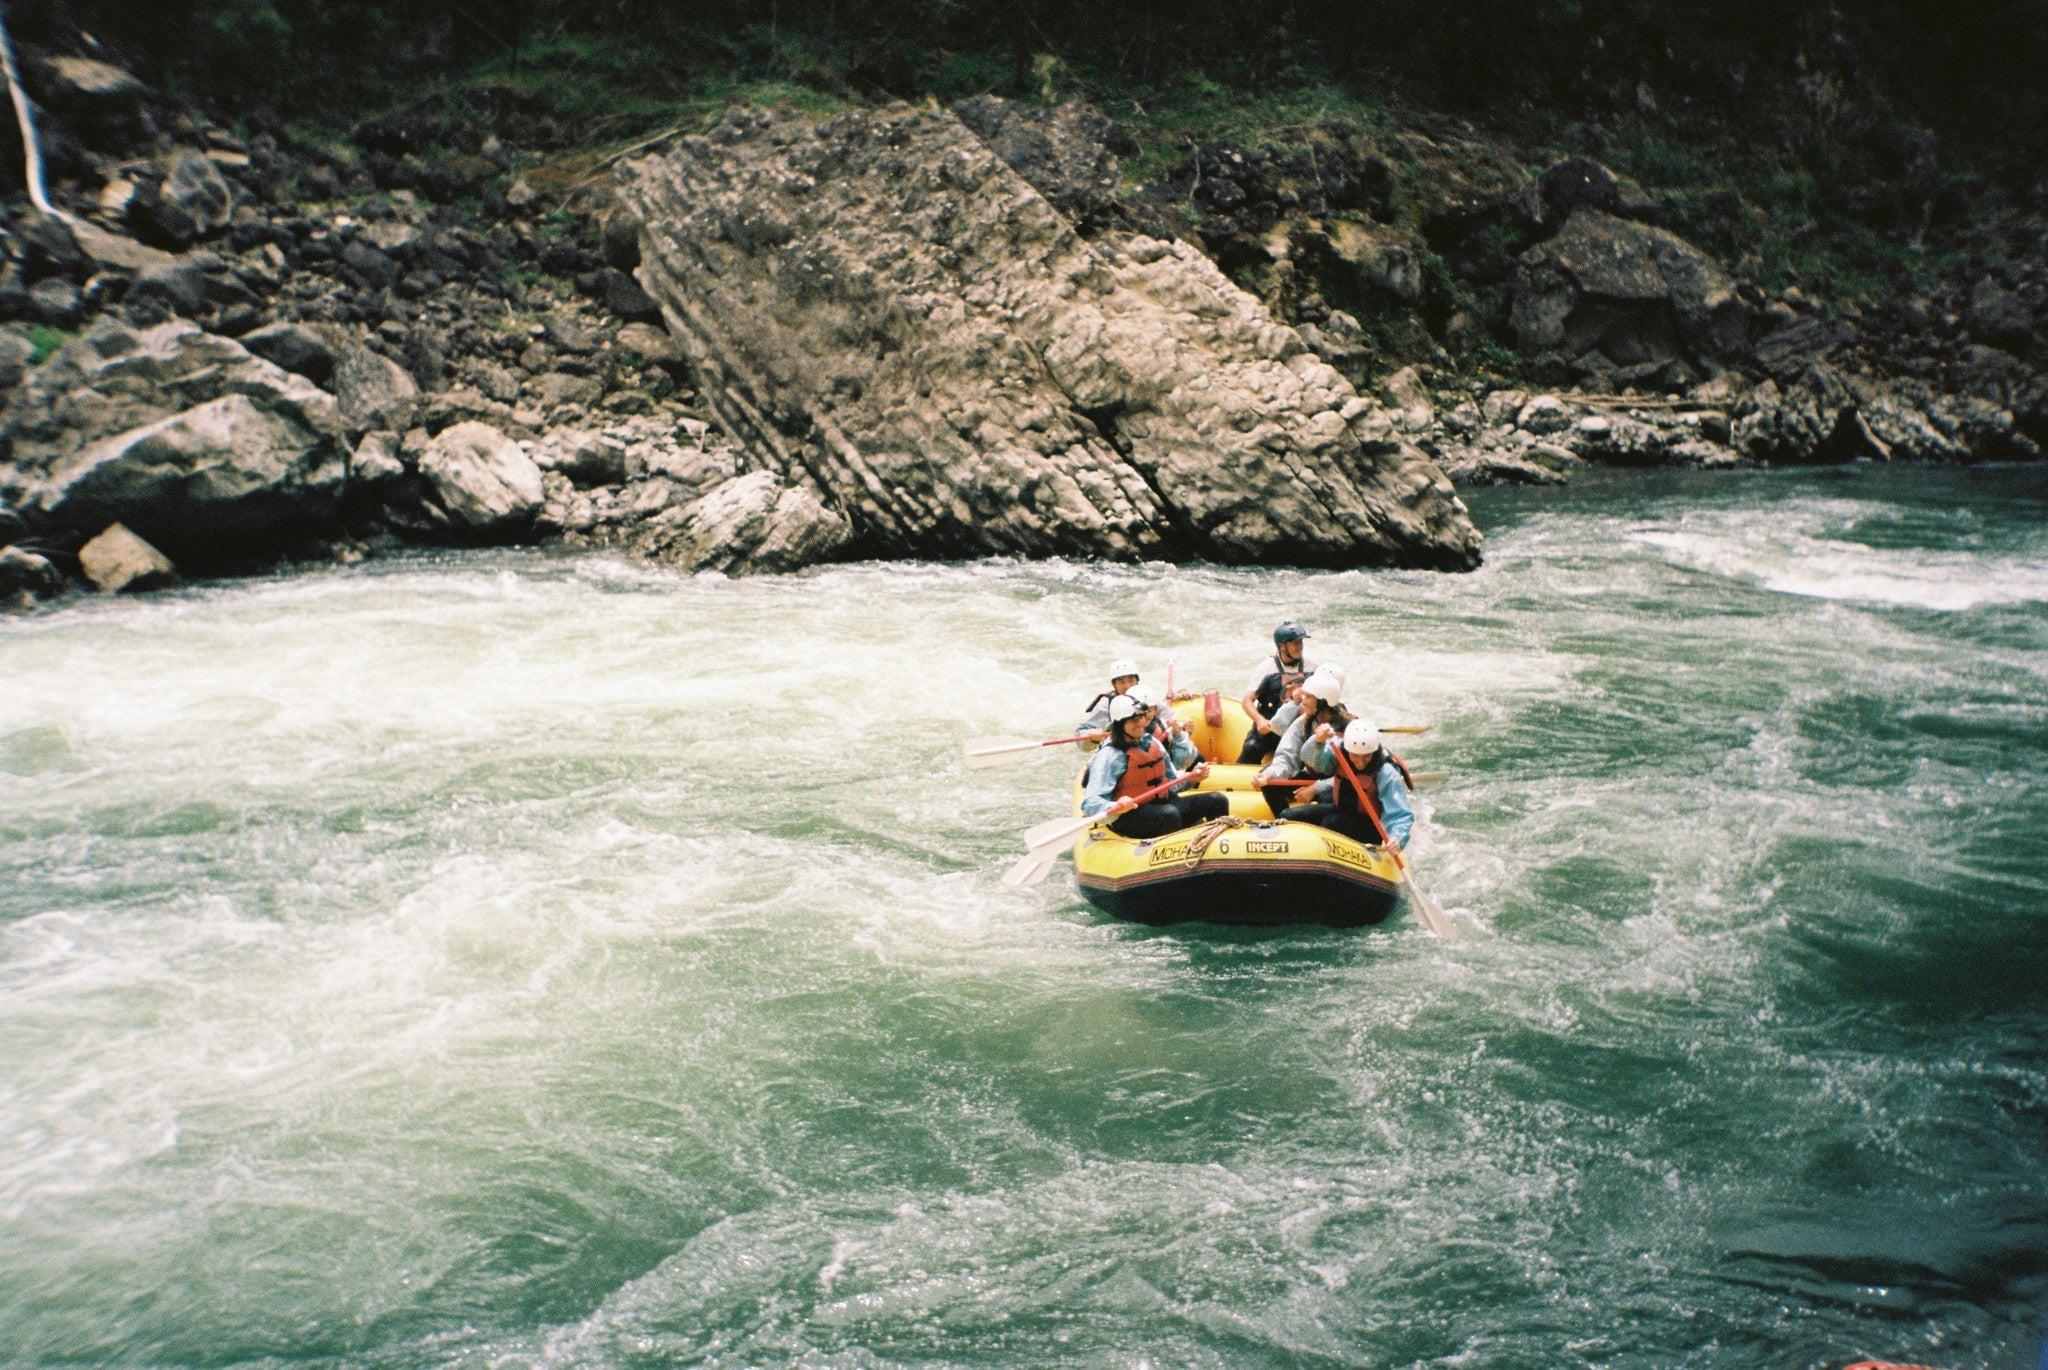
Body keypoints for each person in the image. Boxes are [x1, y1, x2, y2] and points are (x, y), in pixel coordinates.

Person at [1081, 695, 1231, 839]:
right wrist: (1116, 805)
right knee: (1169, 814)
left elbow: (1171, 781)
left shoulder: (1152, 742)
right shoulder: (1109, 755)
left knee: (1217, 800)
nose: (1141, 723)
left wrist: (1191, 777)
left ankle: (1213, 844)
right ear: (1119, 724)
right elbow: (1090, 803)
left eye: (1141, 717)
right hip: (1129, 816)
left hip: (1164, 804)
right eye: (1133, 719)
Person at [1283, 720, 1415, 848]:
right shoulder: (1339, 751)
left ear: (1374, 752)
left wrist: (1396, 837)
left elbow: (1400, 813)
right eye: (1355, 756)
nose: (1360, 762)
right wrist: (1317, 741)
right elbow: (1312, 759)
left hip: (1372, 825)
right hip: (1342, 811)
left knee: (1331, 824)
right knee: (1288, 816)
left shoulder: (1385, 772)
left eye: (1366, 756)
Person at [1256, 670, 1355, 817]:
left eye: (1308, 697)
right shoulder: (1304, 722)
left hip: (1339, 784)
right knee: (1271, 783)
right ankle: (1284, 820)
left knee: (1327, 797)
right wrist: (1270, 774)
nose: (1303, 701)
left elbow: (1354, 776)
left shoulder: (1350, 728)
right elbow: (1287, 756)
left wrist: (1315, 788)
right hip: (1315, 777)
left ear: (1323, 701)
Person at [1237, 621, 1318, 764]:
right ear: (1282, 646)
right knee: (1251, 748)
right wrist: (1260, 721)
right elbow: (1247, 701)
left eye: (1301, 642)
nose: (1300, 646)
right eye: (1295, 643)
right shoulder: (1266, 668)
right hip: (1271, 725)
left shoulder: (1312, 666)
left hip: (1300, 725)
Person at [1132, 683, 1201, 769]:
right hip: (1145, 772)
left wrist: (1178, 736)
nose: (1145, 716)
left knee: (1198, 758)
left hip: (1164, 769)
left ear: (1155, 710)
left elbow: (1180, 763)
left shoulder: (1160, 726)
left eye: (1149, 711)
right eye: (1141, 713)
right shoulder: (1124, 735)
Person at [1076, 658, 1141, 734]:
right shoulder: (1105, 706)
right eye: (1121, 682)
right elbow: (1080, 732)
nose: (1127, 686)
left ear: (1137, 682)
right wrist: (1093, 734)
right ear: (1114, 685)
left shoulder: (1147, 697)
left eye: (1131, 681)